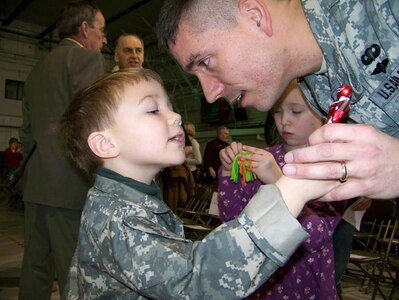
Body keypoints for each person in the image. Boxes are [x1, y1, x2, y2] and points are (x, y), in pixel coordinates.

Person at [58, 69, 339, 299]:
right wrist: (288, 192)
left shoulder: (122, 204)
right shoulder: (119, 218)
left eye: (170, 106)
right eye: (153, 109)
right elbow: (196, 283)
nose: (177, 116)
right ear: (106, 143)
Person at [156, 0, 399, 202]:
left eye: (206, 62)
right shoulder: (317, 90)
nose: (210, 95)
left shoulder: (378, 9)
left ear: (255, 16)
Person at [219, 80, 343, 299]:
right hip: (262, 283)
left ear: (323, 114)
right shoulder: (264, 158)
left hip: (306, 282)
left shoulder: (330, 168)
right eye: (277, 112)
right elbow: (232, 219)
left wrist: (278, 179)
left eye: (296, 111)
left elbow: (316, 237)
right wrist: (229, 174)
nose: (285, 121)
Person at [18, 1, 106, 298]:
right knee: (73, 271)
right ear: (85, 29)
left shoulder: (36, 70)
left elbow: (27, 134)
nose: (103, 39)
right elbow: (91, 123)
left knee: (34, 267)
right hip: (71, 185)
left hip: (37, 184)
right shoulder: (86, 60)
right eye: (101, 30)